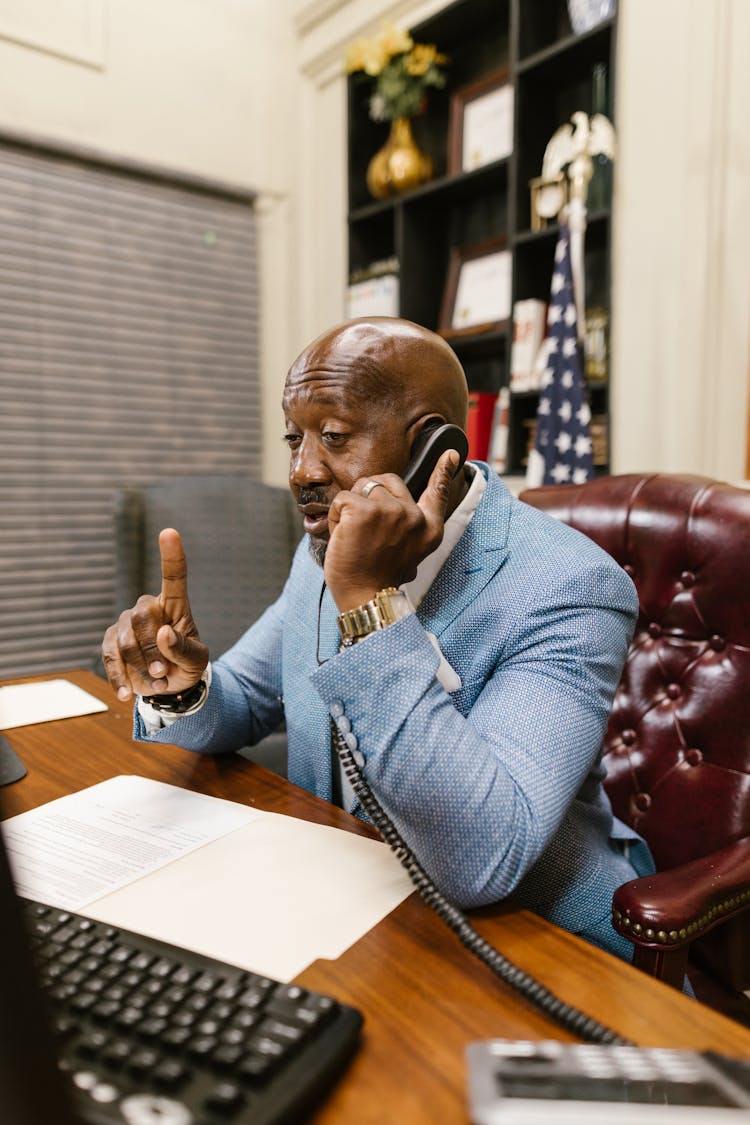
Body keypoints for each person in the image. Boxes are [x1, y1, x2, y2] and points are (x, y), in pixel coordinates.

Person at [101, 316, 653, 962]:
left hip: (534, 943)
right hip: (348, 913)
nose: (303, 470)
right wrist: (182, 685)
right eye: (294, 438)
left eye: (334, 436)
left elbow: (484, 856)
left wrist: (367, 603)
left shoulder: (570, 585)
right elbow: (247, 699)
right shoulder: (323, 551)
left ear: (433, 445)